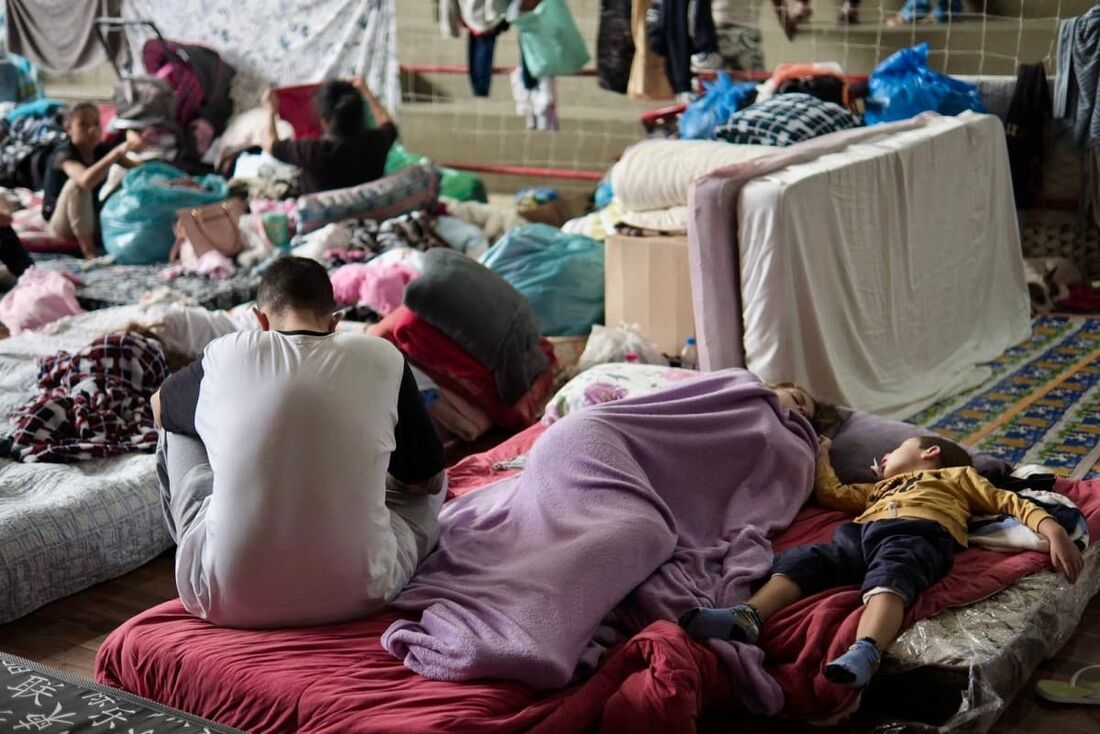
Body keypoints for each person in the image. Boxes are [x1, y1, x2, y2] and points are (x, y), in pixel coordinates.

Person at [150, 256, 446, 628]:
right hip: (362, 592)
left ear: (259, 320)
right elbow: (425, 481)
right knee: (434, 482)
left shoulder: (226, 353)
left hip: (221, 596)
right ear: (336, 323)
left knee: (175, 421)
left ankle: (209, 547)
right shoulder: (384, 357)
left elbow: (158, 406)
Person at [679, 433, 1084, 689]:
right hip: (863, 532)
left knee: (892, 578)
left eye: (893, 450)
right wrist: (822, 452)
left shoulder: (954, 478)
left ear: (929, 453)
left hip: (919, 532)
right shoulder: (879, 489)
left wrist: (1052, 530)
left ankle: (866, 650)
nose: (884, 458)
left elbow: (1007, 501)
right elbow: (833, 493)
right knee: (808, 559)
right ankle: (748, 616)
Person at [42, 102, 144, 259]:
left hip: (90, 215)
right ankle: (88, 250)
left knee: (128, 180)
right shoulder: (64, 154)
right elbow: (85, 181)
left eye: (96, 124)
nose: (92, 130)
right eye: (83, 126)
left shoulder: (101, 149)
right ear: (69, 129)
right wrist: (116, 153)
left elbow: (138, 169)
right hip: (62, 223)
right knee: (77, 186)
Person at [262, 78, 398, 195]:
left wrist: (270, 110)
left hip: (324, 223)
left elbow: (270, 145)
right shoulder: (376, 142)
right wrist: (367, 93)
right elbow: (387, 124)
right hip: (370, 212)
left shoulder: (312, 151)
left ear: (324, 120)